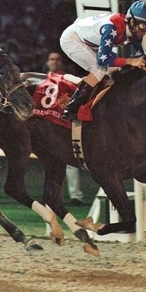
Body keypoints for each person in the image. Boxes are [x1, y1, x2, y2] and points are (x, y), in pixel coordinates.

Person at [59, 0, 146, 121]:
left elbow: (139, 57)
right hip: (72, 39)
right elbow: (102, 60)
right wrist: (130, 61)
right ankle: (71, 109)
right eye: (143, 26)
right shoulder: (111, 28)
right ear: (131, 21)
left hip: (89, 42)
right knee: (100, 69)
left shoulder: (134, 31)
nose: (145, 31)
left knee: (115, 69)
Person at [44, 51, 85, 206]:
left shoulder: (67, 80)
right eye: (52, 59)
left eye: (58, 60)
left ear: (62, 63)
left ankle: (76, 196)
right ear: (48, 62)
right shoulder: (42, 80)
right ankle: (51, 196)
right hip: (46, 128)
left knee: (69, 162)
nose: (55, 62)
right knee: (51, 163)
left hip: (63, 126)